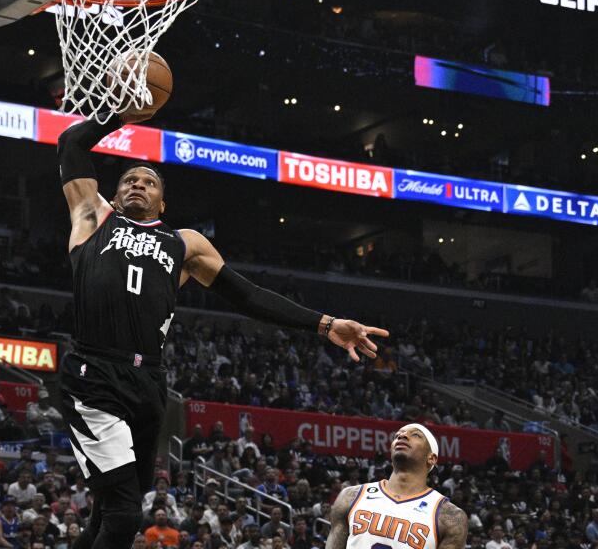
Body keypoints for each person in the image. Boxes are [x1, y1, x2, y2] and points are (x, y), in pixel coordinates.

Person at [55, 111, 388, 549]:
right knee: (122, 515)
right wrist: (123, 115)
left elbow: (248, 295)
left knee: (109, 514)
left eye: (149, 181)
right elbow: (71, 144)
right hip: (93, 374)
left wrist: (325, 325)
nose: (137, 184)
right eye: (129, 180)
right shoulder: (92, 217)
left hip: (148, 382)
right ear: (114, 194)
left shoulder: (185, 243)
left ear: (163, 203)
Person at [325, 423, 467, 549]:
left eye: (416, 435)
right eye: (398, 435)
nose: (402, 436)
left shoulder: (449, 516)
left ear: (431, 458)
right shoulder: (351, 496)